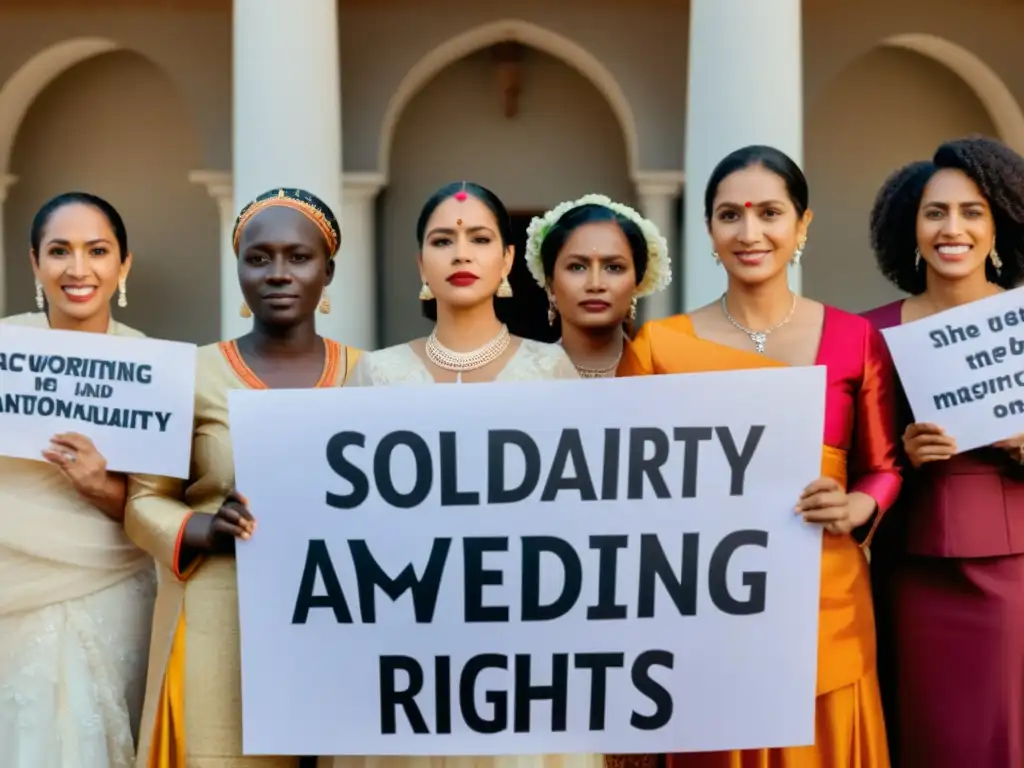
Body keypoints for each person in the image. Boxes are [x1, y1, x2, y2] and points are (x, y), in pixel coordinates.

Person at [620, 145, 901, 767]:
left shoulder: (855, 339)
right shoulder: (660, 346)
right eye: (730, 216)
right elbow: (629, 489)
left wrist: (859, 504)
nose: (750, 234)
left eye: (770, 213)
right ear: (709, 229)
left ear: (802, 224)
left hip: (824, 594)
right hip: (706, 601)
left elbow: (882, 466)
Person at [126, 188, 361, 767]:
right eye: (259, 258)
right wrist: (204, 527)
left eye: (298, 257)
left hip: (341, 619)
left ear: (327, 271)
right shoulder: (191, 373)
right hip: (221, 614)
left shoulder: (369, 375)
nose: (278, 274)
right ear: (238, 270)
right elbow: (142, 500)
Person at [862, 136, 1024, 767]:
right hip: (913, 569)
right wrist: (899, 454)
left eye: (971, 211)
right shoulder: (869, 333)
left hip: (1016, 569)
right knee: (926, 736)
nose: (951, 228)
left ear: (999, 223)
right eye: (935, 213)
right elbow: (850, 465)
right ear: (911, 226)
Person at [0, 192, 155, 767]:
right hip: (13, 594)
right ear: (34, 263)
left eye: (97, 250)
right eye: (59, 251)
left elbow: (163, 511)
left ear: (124, 264)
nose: (79, 268)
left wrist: (103, 487)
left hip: (112, 590)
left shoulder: (151, 367)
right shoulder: (5, 352)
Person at [348, 181, 580, 385]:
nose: (461, 255)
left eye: (480, 239)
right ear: (422, 265)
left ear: (507, 260)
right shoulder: (376, 373)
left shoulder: (551, 369)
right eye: (442, 242)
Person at [523, 194, 671, 377]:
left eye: (614, 267)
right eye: (577, 267)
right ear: (551, 284)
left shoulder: (667, 375)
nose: (595, 284)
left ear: (637, 282)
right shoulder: (520, 380)